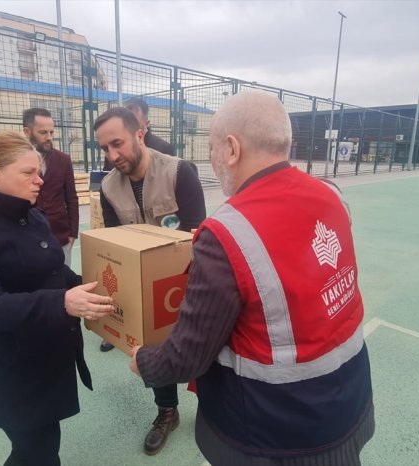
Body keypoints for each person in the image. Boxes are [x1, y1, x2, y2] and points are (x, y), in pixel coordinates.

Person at [129, 92, 375, 465]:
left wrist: (143, 361)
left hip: (272, 434)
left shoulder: (227, 233)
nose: (211, 160)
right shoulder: (330, 195)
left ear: (231, 148)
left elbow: (187, 357)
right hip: (349, 405)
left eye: (211, 148)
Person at [0, 131, 114, 466]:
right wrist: (63, 302)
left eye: (39, 172)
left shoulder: (29, 214)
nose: (40, 180)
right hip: (7, 368)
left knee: (43, 443)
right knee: (36, 449)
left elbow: (52, 271)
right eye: (28, 173)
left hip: (40, 355)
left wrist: (88, 288)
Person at [93, 107, 206, 455]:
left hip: (188, 278)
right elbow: (118, 244)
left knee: (205, 345)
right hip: (145, 283)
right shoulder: (109, 186)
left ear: (140, 134)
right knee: (154, 349)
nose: (112, 156)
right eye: (104, 149)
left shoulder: (179, 171)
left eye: (118, 144)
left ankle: (214, 408)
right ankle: (167, 412)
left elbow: (197, 235)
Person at [22, 108, 79, 267]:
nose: (49, 137)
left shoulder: (63, 160)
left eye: (51, 132)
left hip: (61, 236)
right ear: (27, 131)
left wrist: (73, 233)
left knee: (64, 282)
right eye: (43, 132)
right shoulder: (16, 162)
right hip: (30, 237)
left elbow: (71, 198)